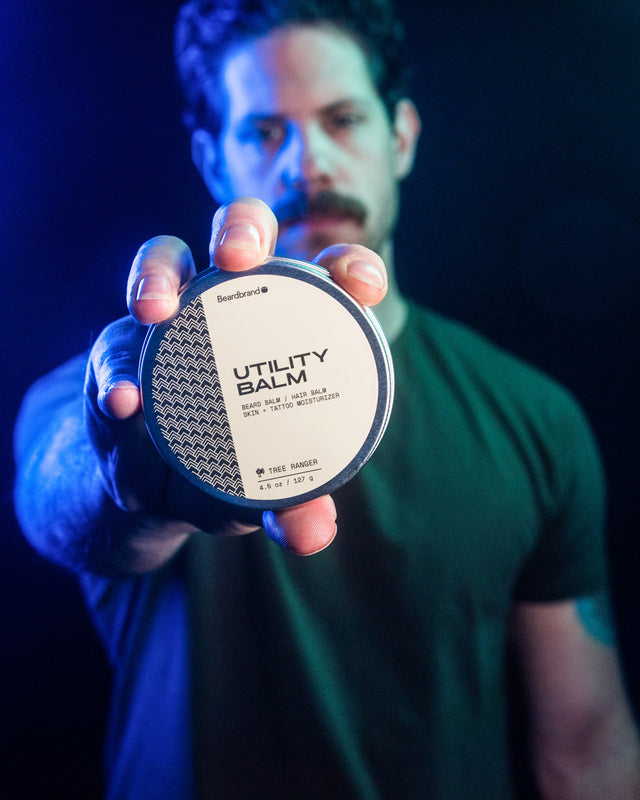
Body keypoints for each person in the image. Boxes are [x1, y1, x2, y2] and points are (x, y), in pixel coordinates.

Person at [13, 0, 640, 798]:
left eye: (343, 119)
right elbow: (58, 499)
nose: (307, 163)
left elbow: (586, 746)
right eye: (264, 131)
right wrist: (132, 479)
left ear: (401, 136)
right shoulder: (115, 386)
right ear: (212, 159)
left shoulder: (533, 419)